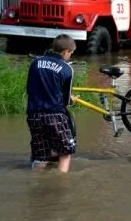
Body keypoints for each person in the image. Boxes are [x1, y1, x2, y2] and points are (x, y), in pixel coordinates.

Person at [26, 34, 77, 173]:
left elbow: (29, 88)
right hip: (54, 115)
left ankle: (35, 182)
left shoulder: (36, 63)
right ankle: (60, 186)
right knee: (66, 151)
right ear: (66, 51)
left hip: (33, 115)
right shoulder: (67, 69)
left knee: (41, 155)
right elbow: (66, 101)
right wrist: (71, 100)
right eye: (71, 53)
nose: (70, 56)